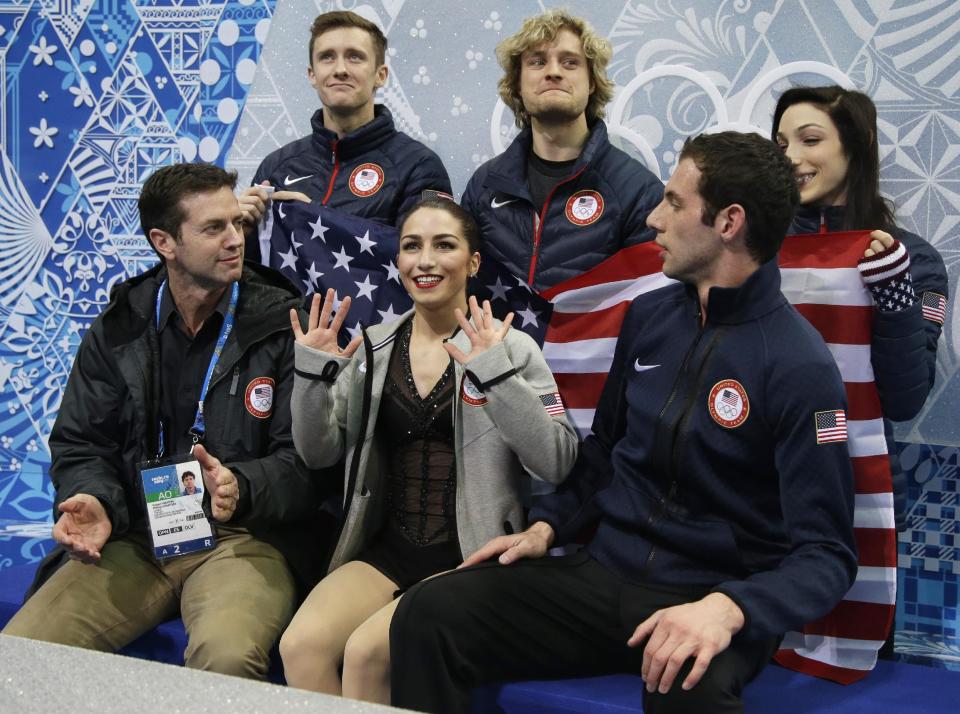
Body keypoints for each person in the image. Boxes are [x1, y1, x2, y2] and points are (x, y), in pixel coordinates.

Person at [389, 132, 859, 714]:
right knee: (428, 613)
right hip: (605, 577)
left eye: (675, 203)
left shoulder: (800, 364)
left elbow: (828, 555)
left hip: (709, 600)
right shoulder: (650, 315)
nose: (656, 219)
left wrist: (728, 609)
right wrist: (548, 527)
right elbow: (605, 452)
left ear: (729, 222)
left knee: (687, 686)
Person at [2, 163, 323, 680]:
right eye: (213, 228)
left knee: (226, 658)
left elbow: (310, 465)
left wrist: (241, 486)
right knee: (20, 652)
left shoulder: (284, 324)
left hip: (243, 537)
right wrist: (95, 498)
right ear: (164, 242)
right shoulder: (120, 325)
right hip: (136, 534)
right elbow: (82, 444)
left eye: (235, 223)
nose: (234, 239)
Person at [280, 197, 578, 702]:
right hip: (389, 550)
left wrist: (497, 374)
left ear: (473, 261)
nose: (425, 261)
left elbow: (557, 459)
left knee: (367, 654)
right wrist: (311, 373)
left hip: (471, 557)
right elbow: (318, 453)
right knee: (300, 646)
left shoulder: (513, 347)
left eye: (445, 245)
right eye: (412, 246)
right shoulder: (373, 347)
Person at [773, 85, 949, 526]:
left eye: (810, 140)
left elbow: (906, 400)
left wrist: (894, 299)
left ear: (858, 145)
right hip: (756, 479)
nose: (791, 157)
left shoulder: (914, 258)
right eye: (780, 144)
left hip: (858, 484)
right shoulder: (753, 247)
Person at [461, 9, 664, 292]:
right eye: (537, 62)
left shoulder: (637, 191)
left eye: (570, 62)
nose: (553, 72)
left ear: (592, 82)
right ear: (518, 84)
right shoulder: (483, 187)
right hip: (496, 337)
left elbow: (653, 304)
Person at [240, 10, 452, 264]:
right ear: (312, 75)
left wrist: (317, 221)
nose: (340, 69)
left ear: (380, 75)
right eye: (327, 57)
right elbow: (252, 273)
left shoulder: (420, 166)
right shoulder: (276, 166)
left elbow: (428, 261)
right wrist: (241, 232)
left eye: (354, 57)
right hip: (287, 306)